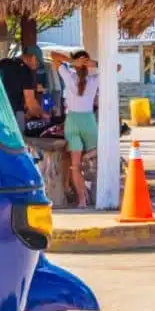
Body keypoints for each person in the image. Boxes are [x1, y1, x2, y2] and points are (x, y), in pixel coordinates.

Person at [50, 50, 99, 208]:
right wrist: (73, 62)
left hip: (80, 121)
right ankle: (82, 198)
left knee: (83, 163)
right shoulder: (72, 76)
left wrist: (95, 64)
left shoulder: (92, 79)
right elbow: (53, 55)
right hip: (80, 120)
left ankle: (84, 197)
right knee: (79, 163)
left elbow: (116, 67)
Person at [0, 46, 47, 132]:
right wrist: (44, 114)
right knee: (19, 141)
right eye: (38, 63)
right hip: (14, 114)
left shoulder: (3, 63)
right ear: (33, 58)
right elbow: (30, 102)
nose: (37, 67)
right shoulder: (26, 72)